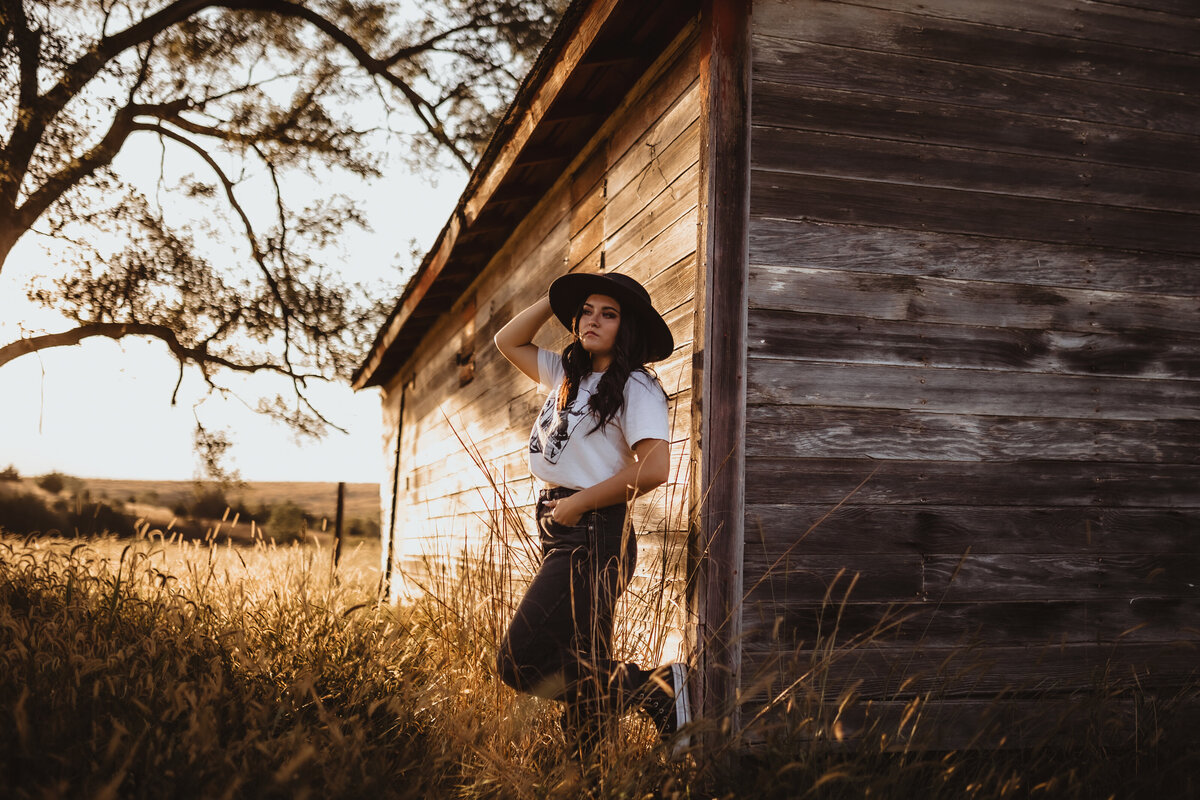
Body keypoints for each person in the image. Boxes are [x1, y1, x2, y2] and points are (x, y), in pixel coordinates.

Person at [493, 271, 691, 758]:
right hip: (563, 527)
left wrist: (577, 504)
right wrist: (555, 297)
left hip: (593, 531)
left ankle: (659, 689)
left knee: (519, 662)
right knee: (583, 663)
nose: (592, 320)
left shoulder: (638, 386)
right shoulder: (568, 374)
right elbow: (507, 340)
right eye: (585, 311)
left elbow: (656, 468)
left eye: (609, 313)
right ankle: (591, 774)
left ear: (628, 327)